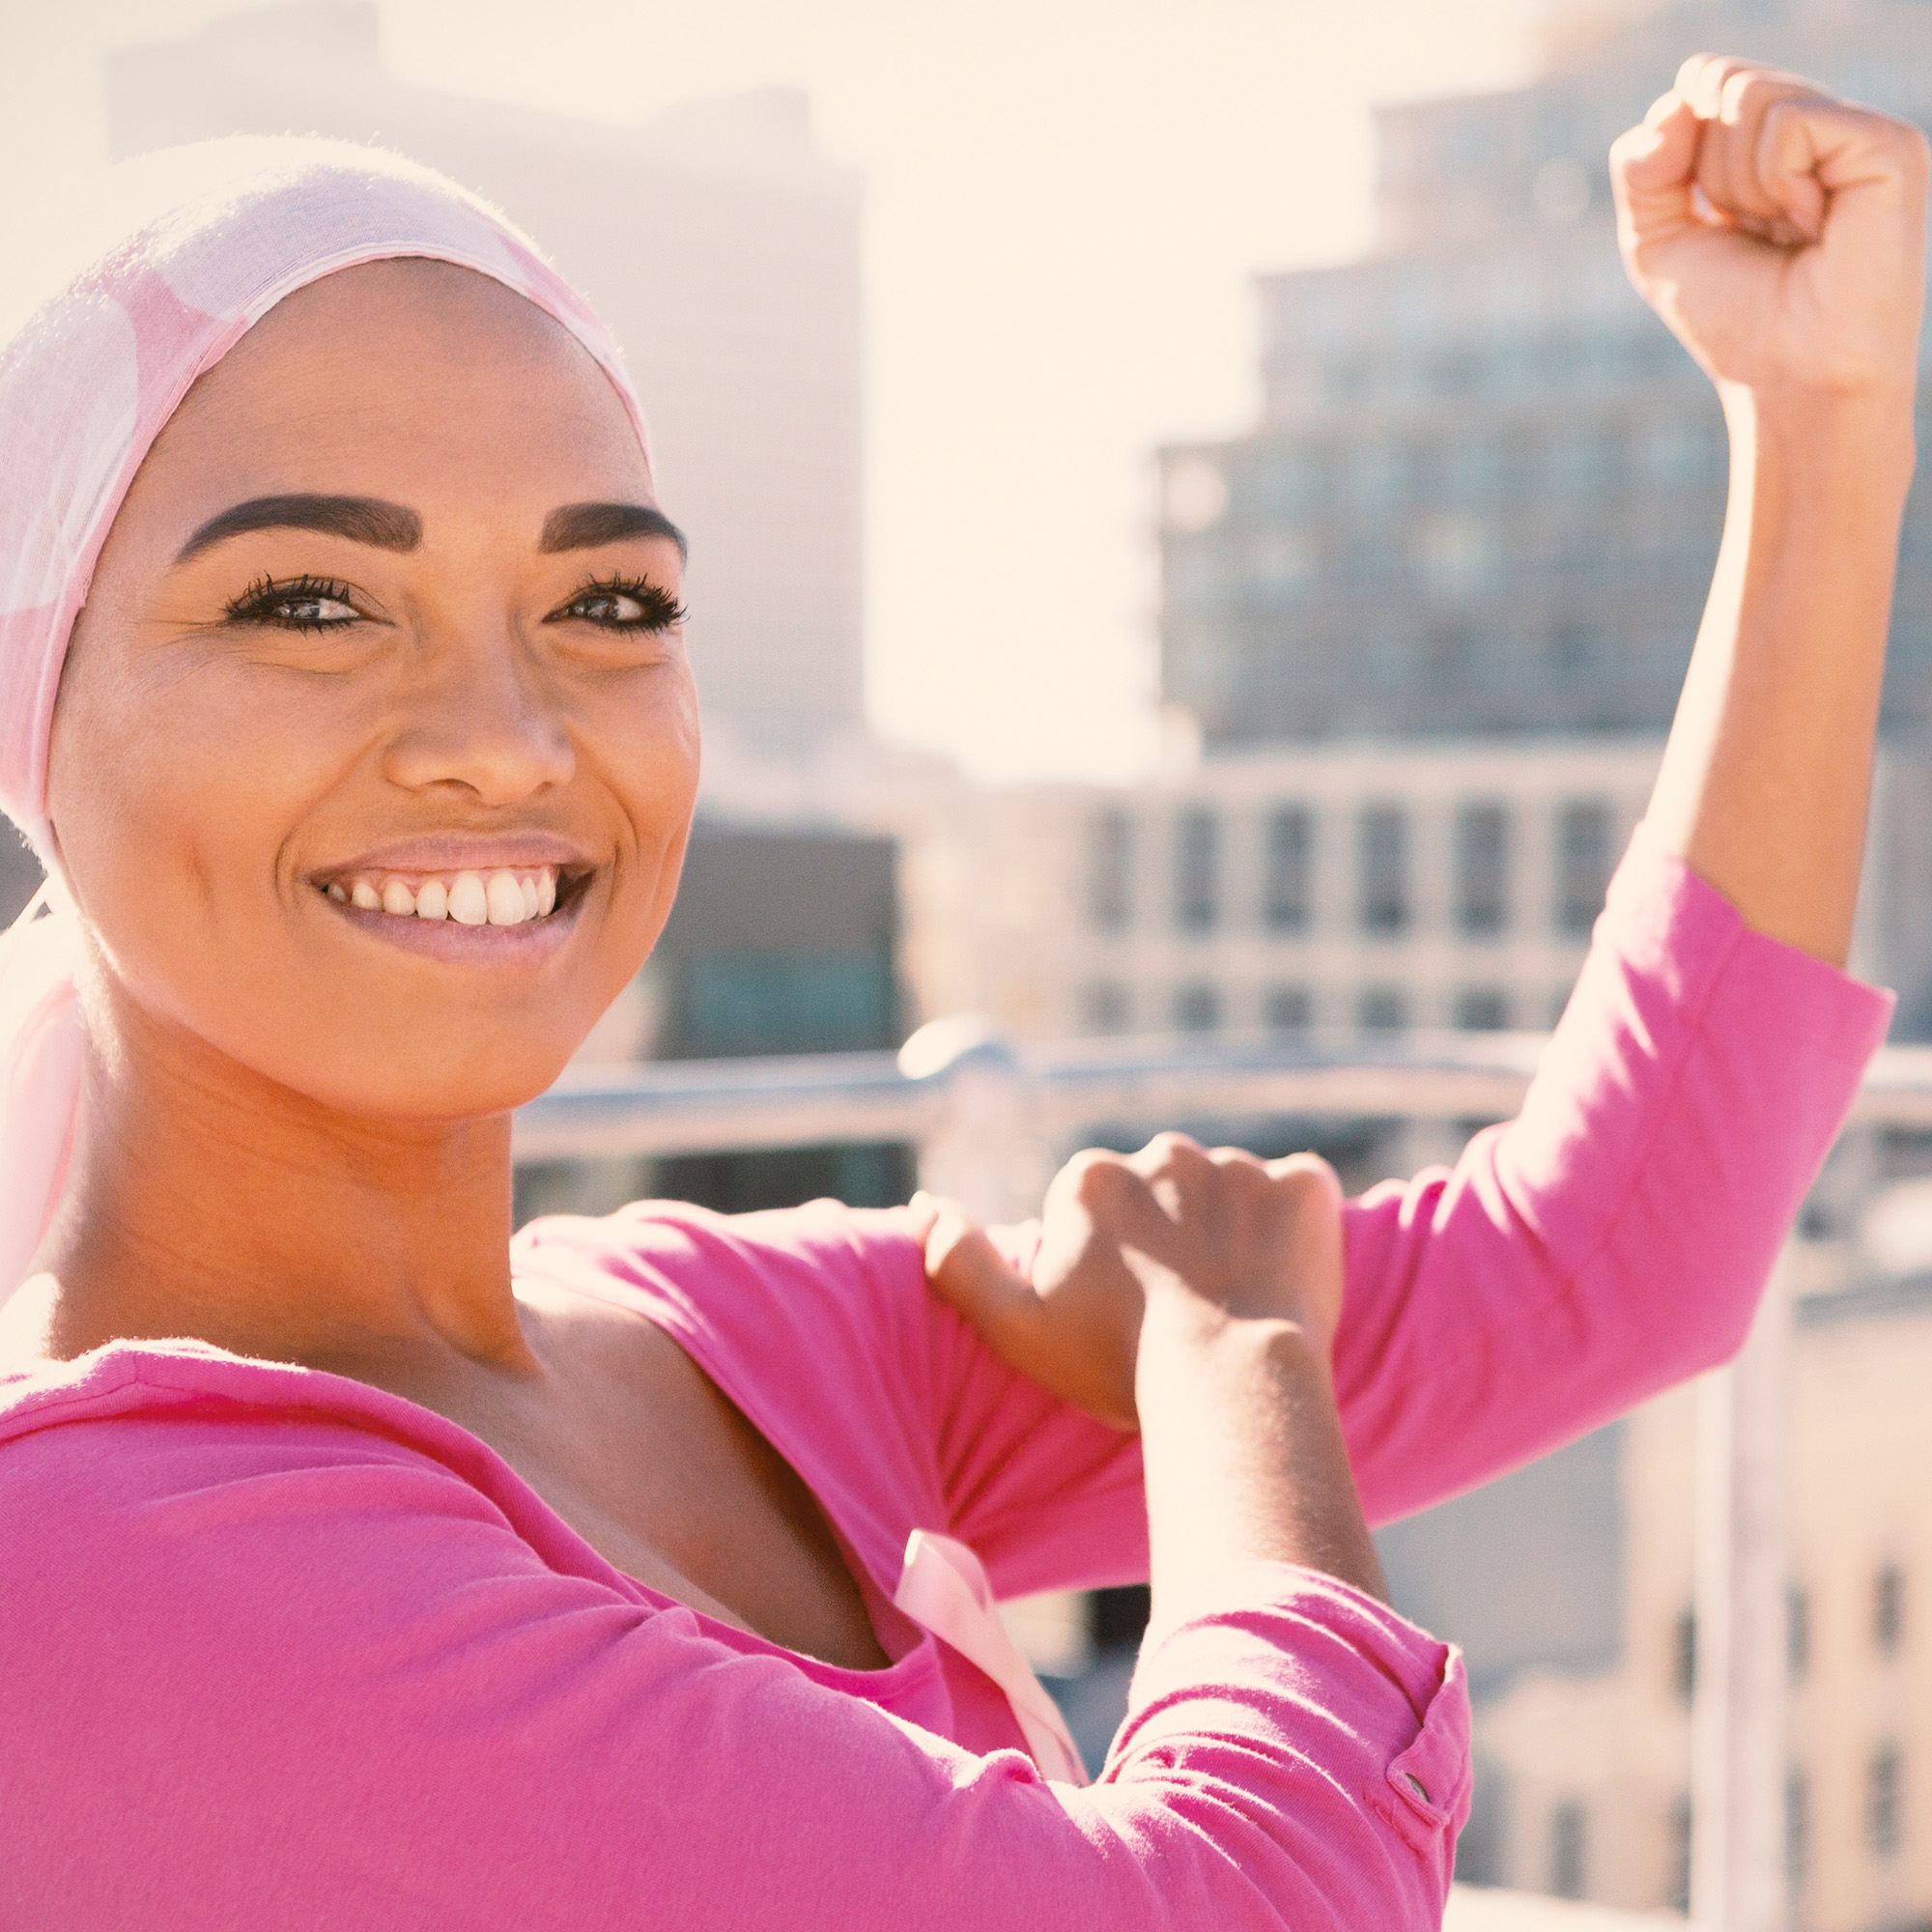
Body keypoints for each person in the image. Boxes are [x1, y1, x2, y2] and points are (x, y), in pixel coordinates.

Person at [0, 51, 1918, 1931]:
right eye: (311, 602)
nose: (502, 741)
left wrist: (1819, 417)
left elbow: (1607, 1258)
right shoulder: (91, 1563)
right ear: (38, 701)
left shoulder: (713, 1340)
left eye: (607, 604)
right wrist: (1233, 1353)